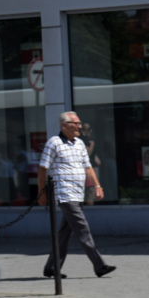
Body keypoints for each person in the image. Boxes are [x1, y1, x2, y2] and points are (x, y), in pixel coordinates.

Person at [37, 111, 115, 278]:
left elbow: (87, 167)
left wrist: (97, 185)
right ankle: (99, 265)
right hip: (65, 194)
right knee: (82, 229)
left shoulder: (79, 143)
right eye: (76, 123)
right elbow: (43, 168)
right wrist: (42, 192)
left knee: (64, 234)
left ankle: (51, 267)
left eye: (80, 123)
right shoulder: (54, 143)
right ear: (64, 125)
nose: (80, 126)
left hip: (78, 193)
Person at [80, 122, 102, 205]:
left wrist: (99, 163)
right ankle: (90, 208)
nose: (88, 131)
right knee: (90, 190)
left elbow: (93, 155)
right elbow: (88, 152)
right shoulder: (82, 140)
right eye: (86, 129)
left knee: (93, 190)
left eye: (89, 129)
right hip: (87, 169)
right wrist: (92, 145)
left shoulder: (89, 140)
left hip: (93, 167)